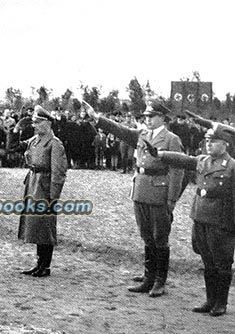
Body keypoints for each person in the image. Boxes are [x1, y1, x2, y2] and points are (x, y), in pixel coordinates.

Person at [80, 99, 184, 298]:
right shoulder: (142, 134)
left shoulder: (172, 140)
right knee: (146, 235)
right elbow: (120, 130)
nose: (148, 120)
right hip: (141, 190)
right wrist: (98, 118)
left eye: (152, 117)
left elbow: (177, 171)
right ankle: (148, 277)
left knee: (160, 237)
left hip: (159, 192)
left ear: (162, 118)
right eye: (146, 117)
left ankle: (160, 281)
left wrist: (171, 199)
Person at [147, 126, 235, 316]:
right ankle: (210, 300)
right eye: (207, 141)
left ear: (225, 144)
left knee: (222, 263)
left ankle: (221, 302)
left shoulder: (234, 168)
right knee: (207, 261)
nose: (209, 145)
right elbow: (183, 160)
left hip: (221, 222)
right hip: (201, 218)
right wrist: (160, 154)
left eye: (214, 142)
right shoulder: (203, 161)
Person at [18, 105, 68, 277]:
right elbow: (12, 147)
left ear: (47, 124)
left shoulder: (55, 144)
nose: (34, 126)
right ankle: (39, 263)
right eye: (33, 122)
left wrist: (54, 197)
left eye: (38, 122)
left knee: (45, 226)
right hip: (33, 183)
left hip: (44, 186)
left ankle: (45, 266)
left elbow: (59, 173)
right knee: (36, 225)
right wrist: (17, 128)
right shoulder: (34, 140)